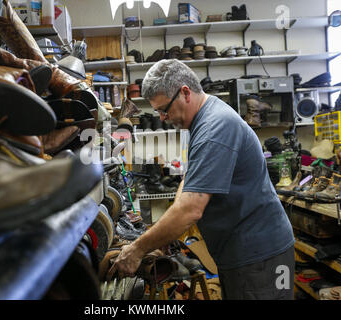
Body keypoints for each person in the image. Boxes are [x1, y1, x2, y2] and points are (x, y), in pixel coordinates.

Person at [108, 59, 295, 300]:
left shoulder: (214, 127)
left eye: (164, 109)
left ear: (185, 92)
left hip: (260, 257)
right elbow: (189, 181)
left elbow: (190, 210)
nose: (163, 118)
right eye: (158, 112)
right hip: (242, 254)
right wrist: (169, 232)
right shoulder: (201, 120)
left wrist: (136, 250)